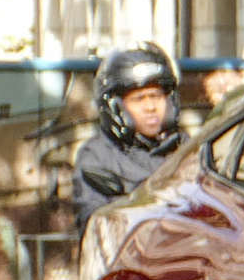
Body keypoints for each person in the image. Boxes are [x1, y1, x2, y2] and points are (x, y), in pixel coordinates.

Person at [73, 45, 181, 226]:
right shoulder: (97, 156)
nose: (150, 107)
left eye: (156, 96)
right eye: (139, 99)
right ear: (116, 107)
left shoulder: (187, 150)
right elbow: (94, 223)